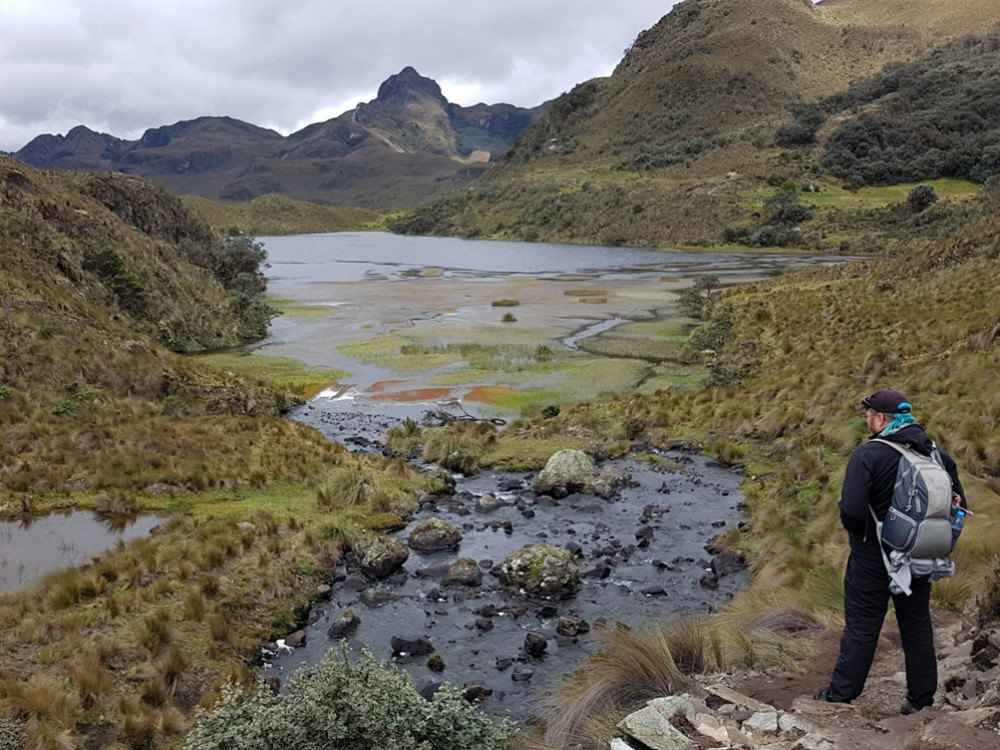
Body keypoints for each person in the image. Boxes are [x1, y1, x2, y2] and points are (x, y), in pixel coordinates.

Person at [813, 388, 967, 714]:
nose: (866, 421)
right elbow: (959, 506)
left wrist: (863, 537)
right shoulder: (935, 454)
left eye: (868, 416)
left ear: (881, 418)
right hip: (919, 555)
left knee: (863, 625)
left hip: (872, 556)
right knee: (916, 623)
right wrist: (932, 542)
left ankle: (840, 696)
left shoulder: (868, 454)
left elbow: (852, 510)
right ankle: (921, 699)